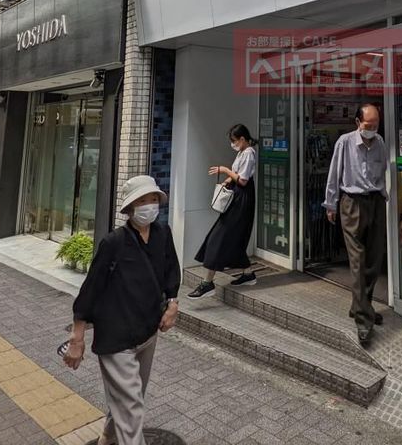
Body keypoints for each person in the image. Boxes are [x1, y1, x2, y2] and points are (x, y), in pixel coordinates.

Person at [64, 175, 180, 445]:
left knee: (130, 396)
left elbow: (171, 271)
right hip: (116, 339)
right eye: (142, 201)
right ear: (129, 208)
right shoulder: (113, 243)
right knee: (131, 406)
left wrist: (173, 304)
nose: (149, 205)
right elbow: (89, 292)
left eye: (153, 199)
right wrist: (77, 337)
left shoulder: (163, 233)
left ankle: (108, 436)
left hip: (148, 332)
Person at [323, 103, 388, 346]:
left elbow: (383, 170)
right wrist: (331, 204)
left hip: (375, 202)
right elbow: (334, 174)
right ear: (357, 123)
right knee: (358, 261)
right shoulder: (344, 143)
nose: (372, 130)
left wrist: (384, 195)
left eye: (376, 125)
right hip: (351, 203)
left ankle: (362, 306)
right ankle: (363, 322)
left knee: (373, 259)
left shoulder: (380, 142)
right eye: (368, 126)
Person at [188, 124, 258, 298]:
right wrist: (227, 180)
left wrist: (224, 170)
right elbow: (237, 174)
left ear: (242, 139)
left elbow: (243, 180)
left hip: (242, 198)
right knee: (231, 237)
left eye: (234, 141)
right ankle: (248, 274)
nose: (232, 144)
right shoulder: (242, 152)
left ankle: (207, 283)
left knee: (218, 237)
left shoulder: (249, 153)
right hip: (238, 197)